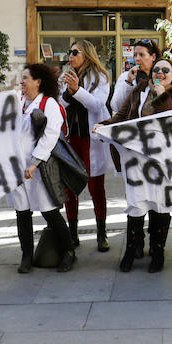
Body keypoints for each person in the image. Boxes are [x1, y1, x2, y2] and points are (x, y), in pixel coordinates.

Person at [100, 57, 172, 273]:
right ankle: (131, 250)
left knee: (160, 205)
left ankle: (157, 251)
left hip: (164, 162)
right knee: (136, 204)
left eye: (165, 70)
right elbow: (122, 116)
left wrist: (163, 95)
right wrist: (104, 126)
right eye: (156, 69)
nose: (160, 73)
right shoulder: (139, 90)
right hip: (137, 160)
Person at [10, 63, 77, 274]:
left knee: (50, 212)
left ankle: (68, 252)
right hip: (17, 167)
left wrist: (34, 163)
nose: (21, 82)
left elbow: (50, 136)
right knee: (22, 212)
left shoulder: (49, 104)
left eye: (25, 78)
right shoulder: (18, 103)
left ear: (38, 81)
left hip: (40, 168)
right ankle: (26, 256)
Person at [58, 40, 112, 252]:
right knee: (70, 188)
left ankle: (101, 233)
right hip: (72, 138)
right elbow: (60, 104)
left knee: (96, 188)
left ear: (87, 54)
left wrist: (76, 90)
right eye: (68, 52)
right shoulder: (68, 75)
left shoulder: (100, 77)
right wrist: (67, 91)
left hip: (91, 138)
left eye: (74, 52)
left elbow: (97, 105)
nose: (70, 56)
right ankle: (72, 233)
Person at [110, 39, 160, 113]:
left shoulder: (159, 77)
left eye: (141, 55)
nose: (137, 59)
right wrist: (128, 82)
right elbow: (116, 107)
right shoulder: (126, 77)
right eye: (135, 55)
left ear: (153, 57)